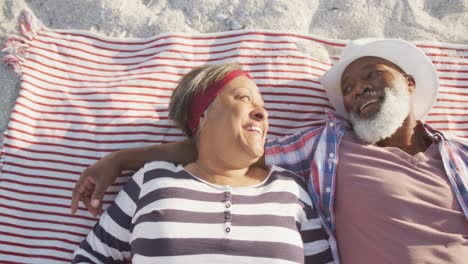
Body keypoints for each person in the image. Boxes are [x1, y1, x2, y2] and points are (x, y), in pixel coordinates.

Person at [71, 39, 468, 263]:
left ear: (409, 83)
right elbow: (228, 151)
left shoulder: (460, 160)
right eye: (347, 87)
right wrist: (120, 159)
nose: (357, 89)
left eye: (371, 75)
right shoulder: (328, 148)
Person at [72, 64, 334, 263]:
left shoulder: (289, 190)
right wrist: (117, 160)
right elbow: (90, 257)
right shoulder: (152, 181)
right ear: (203, 116)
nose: (262, 113)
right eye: (244, 98)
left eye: (263, 106)